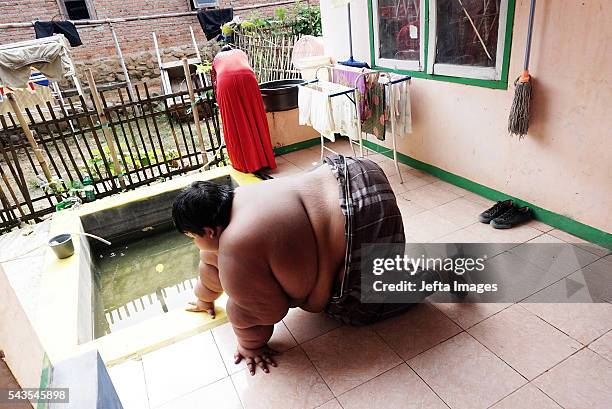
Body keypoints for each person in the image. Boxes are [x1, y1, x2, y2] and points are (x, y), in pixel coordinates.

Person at [172, 155, 438, 375]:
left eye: (192, 237)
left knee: (358, 311)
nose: (194, 244)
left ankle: (437, 276)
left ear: (208, 232)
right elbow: (210, 267)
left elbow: (265, 313)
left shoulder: (234, 250)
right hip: (354, 173)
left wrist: (249, 345)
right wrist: (204, 299)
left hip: (364, 229)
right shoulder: (242, 196)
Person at [211, 46, 276, 173]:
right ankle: (264, 160)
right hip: (248, 79)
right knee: (255, 116)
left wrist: (221, 102)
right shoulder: (241, 53)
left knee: (234, 122)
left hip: (226, 83)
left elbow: (215, 82)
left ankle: (246, 163)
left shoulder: (216, 59)